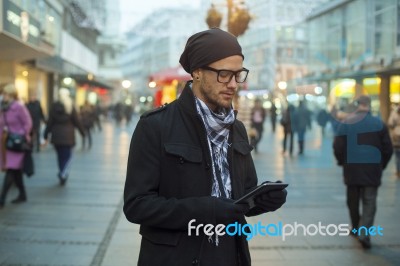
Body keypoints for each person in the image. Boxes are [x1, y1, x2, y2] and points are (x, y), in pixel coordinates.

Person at [123, 28, 287, 266]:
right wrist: (202, 210)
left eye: (238, 75)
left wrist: (262, 201)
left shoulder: (236, 128)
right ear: (197, 72)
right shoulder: (155, 126)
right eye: (223, 74)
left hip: (230, 255)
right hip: (174, 258)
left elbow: (241, 197)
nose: (233, 84)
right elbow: (137, 205)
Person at [333, 95, 393, 249]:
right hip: (372, 170)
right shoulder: (379, 124)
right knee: (369, 201)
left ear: (357, 105)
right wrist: (382, 165)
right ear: (369, 106)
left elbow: (337, 146)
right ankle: (364, 233)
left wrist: (342, 161)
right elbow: (388, 149)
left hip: (352, 169)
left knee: (352, 200)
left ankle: (355, 227)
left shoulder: (347, 123)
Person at [43, 88, 84, 186]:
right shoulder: (70, 106)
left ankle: (62, 171)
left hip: (56, 135)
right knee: (67, 156)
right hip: (68, 135)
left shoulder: (54, 106)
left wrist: (45, 133)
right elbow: (76, 121)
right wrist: (82, 132)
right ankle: (63, 173)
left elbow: (50, 122)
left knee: (60, 156)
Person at [0, 84, 32, 208]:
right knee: (16, 170)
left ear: (12, 95)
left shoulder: (18, 107)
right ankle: (22, 194)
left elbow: (28, 123)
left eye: (6, 94)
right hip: (7, 142)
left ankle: (2, 198)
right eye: (3, 94)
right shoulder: (3, 108)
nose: (4, 96)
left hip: (18, 143)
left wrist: (22, 135)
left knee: (11, 168)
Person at [387, 105, 400, 178]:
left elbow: (390, 123)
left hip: (396, 137)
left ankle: (398, 171)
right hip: (396, 138)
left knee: (397, 156)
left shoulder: (394, 113)